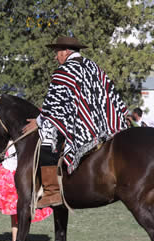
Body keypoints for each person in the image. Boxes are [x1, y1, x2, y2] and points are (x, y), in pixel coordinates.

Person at [22, 36, 128, 208]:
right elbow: (110, 94)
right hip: (104, 124)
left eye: (57, 53)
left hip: (80, 126)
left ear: (65, 51)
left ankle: (51, 191)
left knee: (47, 136)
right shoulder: (94, 67)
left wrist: (39, 121)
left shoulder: (64, 72)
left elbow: (52, 106)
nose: (56, 57)